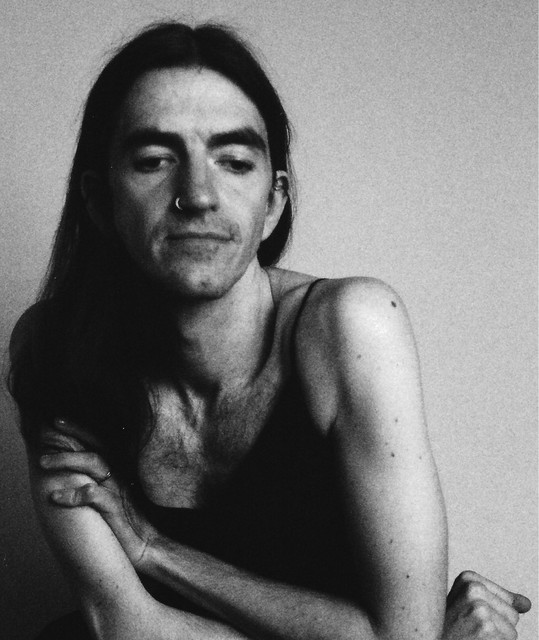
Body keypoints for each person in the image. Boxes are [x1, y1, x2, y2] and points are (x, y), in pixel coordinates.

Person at [9, 21, 531, 640]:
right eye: (153, 161)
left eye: (234, 162)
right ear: (99, 201)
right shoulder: (55, 348)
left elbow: (401, 636)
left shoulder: (352, 327)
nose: (198, 195)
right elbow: (121, 626)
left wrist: (155, 550)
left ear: (274, 202)